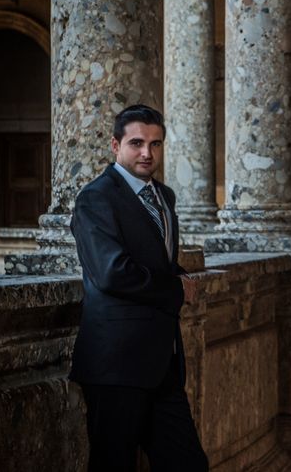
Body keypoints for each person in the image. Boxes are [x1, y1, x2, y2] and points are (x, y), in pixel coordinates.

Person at [69, 104, 209, 472]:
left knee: (189, 464)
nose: (147, 153)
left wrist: (178, 275)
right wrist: (176, 290)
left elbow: (154, 261)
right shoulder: (95, 198)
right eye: (137, 143)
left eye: (156, 144)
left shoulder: (164, 197)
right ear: (115, 146)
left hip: (162, 363)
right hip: (115, 364)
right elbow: (112, 272)